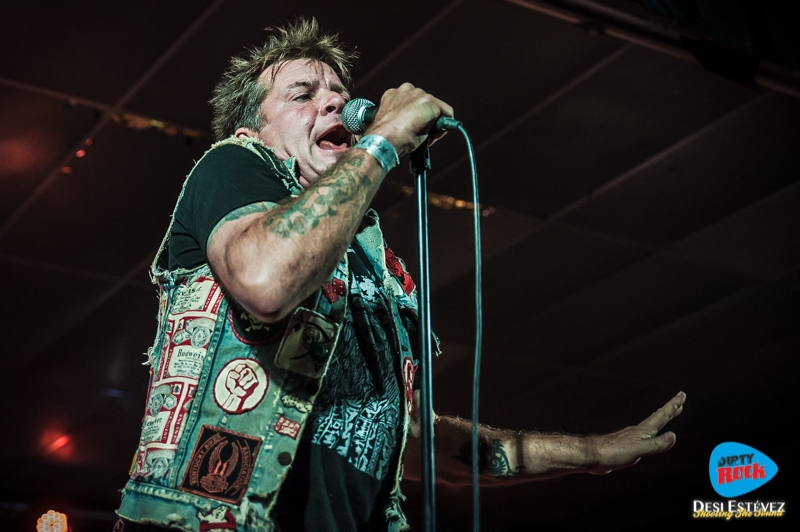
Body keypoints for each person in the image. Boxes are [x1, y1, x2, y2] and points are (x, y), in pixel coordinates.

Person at [114, 17, 686, 532]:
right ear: (252, 130)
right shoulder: (231, 166)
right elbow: (264, 281)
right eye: (303, 95)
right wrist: (384, 141)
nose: (334, 103)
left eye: (339, 93)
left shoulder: (377, 268)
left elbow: (414, 439)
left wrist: (592, 453)